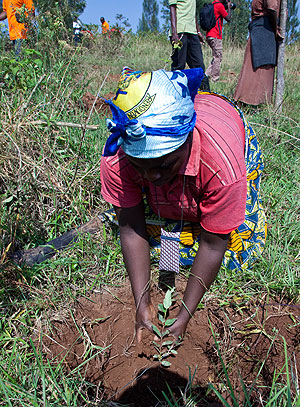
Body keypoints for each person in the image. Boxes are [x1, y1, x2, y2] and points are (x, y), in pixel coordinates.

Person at [100, 67, 267, 342]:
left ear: (187, 139)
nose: (152, 177)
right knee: (162, 230)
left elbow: (214, 244)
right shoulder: (117, 156)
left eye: (163, 165)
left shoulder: (221, 166)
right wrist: (141, 304)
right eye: (140, 166)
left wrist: (185, 315)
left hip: (225, 128)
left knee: (238, 246)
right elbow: (130, 229)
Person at [234, 0, 283, 105]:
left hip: (260, 28)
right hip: (265, 28)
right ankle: (250, 102)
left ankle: (249, 102)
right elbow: (272, 7)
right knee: (259, 68)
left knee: (255, 68)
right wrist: (276, 29)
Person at [169, 0, 210, 91]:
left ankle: (206, 97)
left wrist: (198, 31)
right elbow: (172, 9)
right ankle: (175, 95)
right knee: (179, 66)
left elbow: (193, 13)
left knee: (199, 67)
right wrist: (174, 32)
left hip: (192, 32)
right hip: (180, 32)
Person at [205, 0, 231, 82]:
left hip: (209, 35)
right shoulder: (219, 5)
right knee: (218, 57)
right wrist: (229, 7)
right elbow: (228, 18)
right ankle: (215, 78)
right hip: (216, 35)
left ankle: (206, 75)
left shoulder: (212, 4)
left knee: (215, 57)